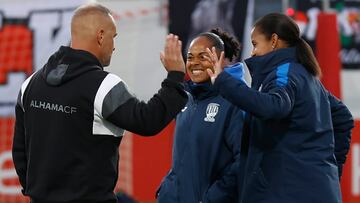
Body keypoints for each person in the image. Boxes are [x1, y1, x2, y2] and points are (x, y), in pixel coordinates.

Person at [12, 3, 187, 203]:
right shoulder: (104, 85)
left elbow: (19, 150)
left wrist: (35, 191)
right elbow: (147, 121)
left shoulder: (31, 83)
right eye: (114, 37)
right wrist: (175, 77)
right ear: (101, 36)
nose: (114, 46)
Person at [206, 13, 354, 203]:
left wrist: (223, 81)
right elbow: (343, 117)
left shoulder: (284, 73)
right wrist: (328, 170)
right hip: (314, 191)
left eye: (255, 44)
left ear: (274, 40)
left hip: (287, 194)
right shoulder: (306, 77)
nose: (252, 52)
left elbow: (273, 106)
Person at [156, 28, 245, 203]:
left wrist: (212, 198)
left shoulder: (237, 100)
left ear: (220, 59)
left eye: (202, 57)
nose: (194, 63)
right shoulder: (185, 98)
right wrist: (166, 191)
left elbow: (243, 161)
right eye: (190, 57)